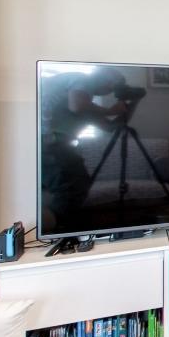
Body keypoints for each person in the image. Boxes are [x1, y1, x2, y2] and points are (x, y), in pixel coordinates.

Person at [39, 67, 136, 224]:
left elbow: (110, 127)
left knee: (76, 186)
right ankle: (58, 232)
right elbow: (77, 105)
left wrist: (134, 102)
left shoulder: (85, 102)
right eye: (112, 84)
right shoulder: (81, 79)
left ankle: (58, 228)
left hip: (53, 143)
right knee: (72, 189)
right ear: (104, 78)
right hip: (49, 140)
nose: (111, 90)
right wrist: (110, 110)